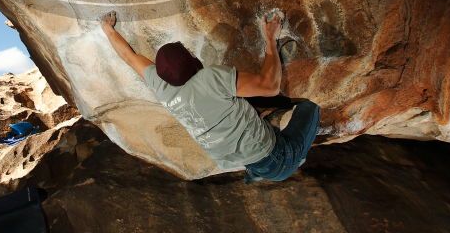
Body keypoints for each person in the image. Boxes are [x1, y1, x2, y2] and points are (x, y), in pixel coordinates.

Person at [100, 10, 320, 182]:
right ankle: (296, 159)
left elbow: (129, 57)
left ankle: (256, 171)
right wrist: (270, 40)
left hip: (243, 160)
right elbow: (270, 86)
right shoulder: (210, 78)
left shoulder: (161, 85)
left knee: (242, 104)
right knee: (310, 109)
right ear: (192, 61)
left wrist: (107, 30)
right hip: (278, 160)